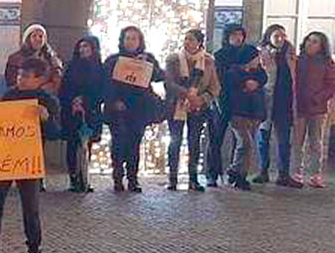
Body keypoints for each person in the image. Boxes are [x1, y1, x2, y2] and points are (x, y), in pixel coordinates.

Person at [0, 56, 59, 253]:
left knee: (30, 207)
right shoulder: (9, 96)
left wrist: (46, 118)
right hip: (5, 158)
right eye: (19, 74)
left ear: (39, 79)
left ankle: (35, 248)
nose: (20, 78)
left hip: (28, 160)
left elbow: (55, 132)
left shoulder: (47, 101)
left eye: (25, 75)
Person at [102, 26, 164, 193]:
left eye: (134, 39)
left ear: (140, 41)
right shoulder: (113, 60)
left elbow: (160, 76)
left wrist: (148, 64)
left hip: (139, 108)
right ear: (122, 40)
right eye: (128, 38)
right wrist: (114, 101)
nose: (131, 42)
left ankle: (133, 179)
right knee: (118, 144)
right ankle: (117, 177)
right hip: (118, 108)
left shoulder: (147, 58)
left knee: (134, 144)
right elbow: (105, 84)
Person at [163, 29, 219, 192]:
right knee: (175, 141)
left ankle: (193, 178)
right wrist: (187, 94)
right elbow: (169, 83)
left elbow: (215, 87)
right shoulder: (173, 59)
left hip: (198, 108)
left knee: (194, 142)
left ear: (199, 43)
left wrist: (201, 100)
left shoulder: (208, 61)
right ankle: (172, 178)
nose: (187, 42)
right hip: (177, 105)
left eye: (191, 39)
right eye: (186, 39)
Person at [213, 24, 266, 190]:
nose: (237, 38)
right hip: (231, 104)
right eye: (234, 35)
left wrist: (255, 81)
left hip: (252, 105)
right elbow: (225, 78)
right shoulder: (221, 55)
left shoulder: (251, 51)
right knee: (243, 141)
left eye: (240, 35)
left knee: (245, 143)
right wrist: (245, 76)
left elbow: (262, 74)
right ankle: (224, 173)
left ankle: (237, 173)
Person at [255, 24, 300, 187]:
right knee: (263, 137)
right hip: (267, 98)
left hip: (285, 100)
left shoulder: (291, 53)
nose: (280, 39)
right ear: (269, 37)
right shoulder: (261, 53)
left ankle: (283, 174)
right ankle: (263, 171)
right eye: (276, 36)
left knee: (283, 139)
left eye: (283, 35)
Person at [59, 36, 104, 193]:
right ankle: (73, 178)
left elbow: (101, 90)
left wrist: (85, 100)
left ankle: (84, 177)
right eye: (81, 46)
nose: (83, 50)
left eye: (87, 47)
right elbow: (64, 88)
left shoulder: (99, 68)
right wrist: (73, 101)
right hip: (72, 112)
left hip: (90, 111)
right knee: (72, 145)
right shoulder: (72, 66)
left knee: (86, 145)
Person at [292, 31, 335, 188]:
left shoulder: (327, 63)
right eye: (309, 40)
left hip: (317, 107)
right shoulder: (298, 60)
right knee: (297, 140)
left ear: (322, 45)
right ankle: (297, 172)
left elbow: (331, 85)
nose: (311, 44)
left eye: (315, 41)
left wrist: (318, 98)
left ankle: (316, 174)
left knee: (316, 141)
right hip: (299, 106)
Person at [4, 24, 63, 93]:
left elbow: (57, 79)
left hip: (45, 96)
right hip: (21, 96)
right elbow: (11, 81)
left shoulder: (52, 59)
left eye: (41, 36)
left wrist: (47, 88)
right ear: (28, 39)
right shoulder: (15, 59)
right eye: (34, 36)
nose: (38, 39)